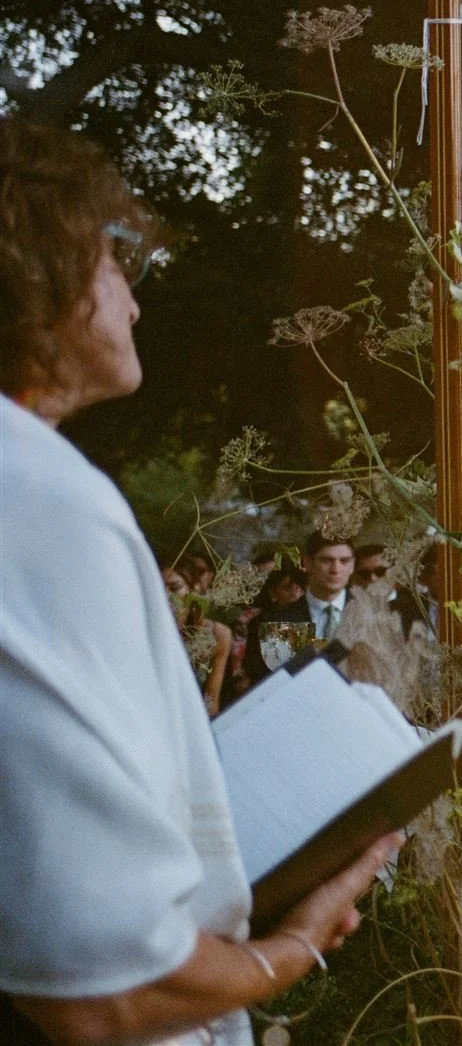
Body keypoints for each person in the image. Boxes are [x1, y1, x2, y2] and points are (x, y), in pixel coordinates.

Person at [0, 117, 397, 1045]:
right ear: (42, 268)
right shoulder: (46, 501)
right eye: (116, 262)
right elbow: (106, 988)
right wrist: (292, 946)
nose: (136, 306)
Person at [244, 535, 354, 688]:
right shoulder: (274, 621)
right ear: (308, 563)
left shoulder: (375, 617)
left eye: (344, 561)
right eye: (326, 560)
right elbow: (268, 687)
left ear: (352, 565)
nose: (335, 570)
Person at [164, 563, 232, 717]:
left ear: (193, 590)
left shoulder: (216, 634)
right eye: (159, 590)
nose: (166, 596)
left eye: (174, 588)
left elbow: (211, 700)